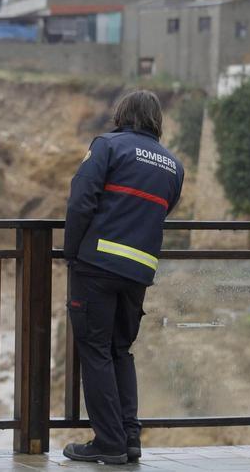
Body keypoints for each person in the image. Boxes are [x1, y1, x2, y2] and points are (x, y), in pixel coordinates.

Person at [61, 90, 184, 465]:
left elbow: (81, 199)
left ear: (122, 114)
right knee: (119, 350)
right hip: (139, 270)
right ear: (156, 121)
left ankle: (109, 442)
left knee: (95, 351)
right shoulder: (173, 165)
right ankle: (129, 439)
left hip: (97, 266)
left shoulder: (107, 146)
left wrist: (72, 253)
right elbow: (162, 211)